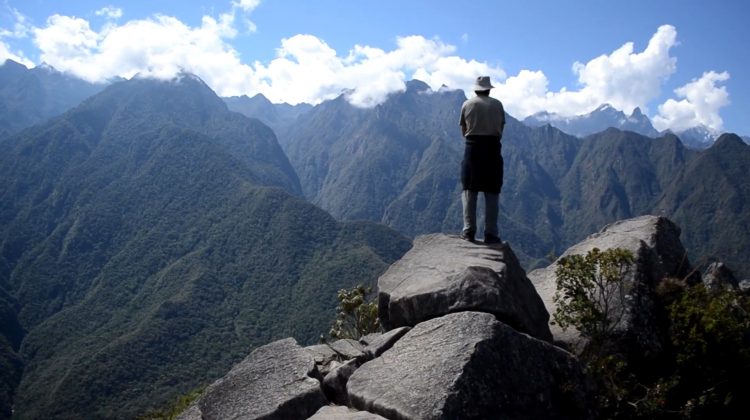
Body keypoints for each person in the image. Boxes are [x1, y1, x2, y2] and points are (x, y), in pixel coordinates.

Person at [458, 76, 505, 244]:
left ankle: (469, 230)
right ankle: (491, 233)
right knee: (492, 191)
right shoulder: (497, 105)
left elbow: (463, 130)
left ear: (475, 89)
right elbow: (501, 128)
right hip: (493, 148)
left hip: (472, 148)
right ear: (489, 89)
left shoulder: (467, 104)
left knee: (469, 189)